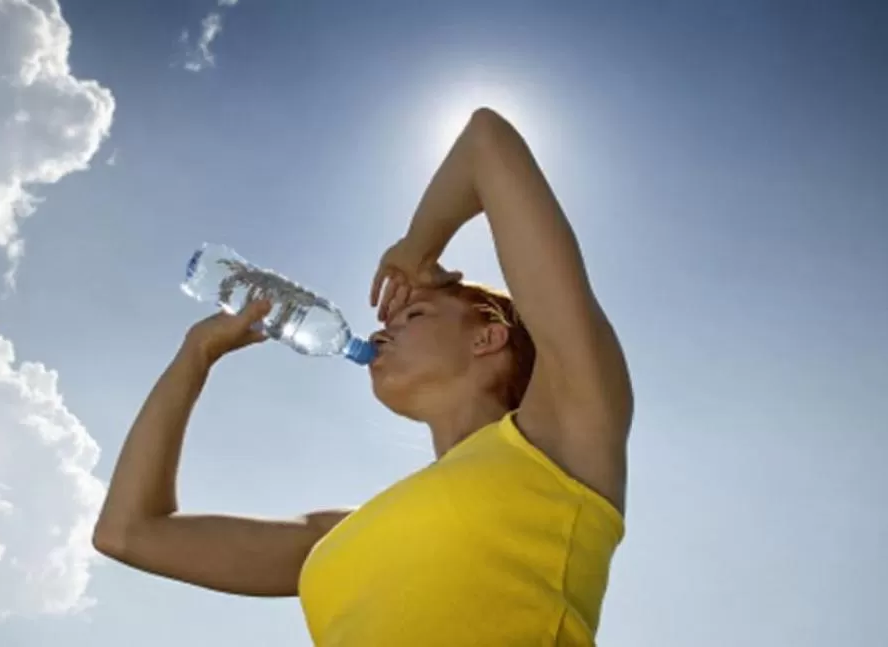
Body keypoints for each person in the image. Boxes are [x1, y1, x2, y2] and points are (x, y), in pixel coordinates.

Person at [93, 107, 633, 646]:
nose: (382, 327)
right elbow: (129, 533)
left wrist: (418, 249)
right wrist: (196, 354)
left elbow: (486, 141)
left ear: (488, 337)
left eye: (414, 314)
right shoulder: (340, 534)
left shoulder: (564, 432)